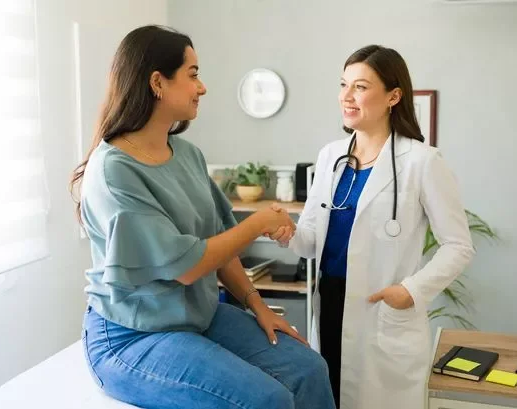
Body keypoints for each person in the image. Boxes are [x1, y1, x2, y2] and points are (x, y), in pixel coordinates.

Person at [69, 25, 335, 409]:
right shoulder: (113, 170)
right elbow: (188, 266)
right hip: (132, 335)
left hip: (198, 317)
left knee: (309, 369)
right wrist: (258, 223)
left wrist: (259, 307)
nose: (202, 87)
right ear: (157, 82)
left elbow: (220, 243)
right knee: (266, 400)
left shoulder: (188, 155)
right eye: (193, 74)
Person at [269, 45, 475, 408]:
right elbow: (311, 241)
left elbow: (458, 246)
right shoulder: (331, 156)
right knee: (329, 397)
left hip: (381, 308)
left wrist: (410, 290)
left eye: (360, 87)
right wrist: (288, 231)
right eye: (344, 84)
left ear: (393, 96)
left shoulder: (422, 162)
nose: (346, 96)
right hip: (330, 303)